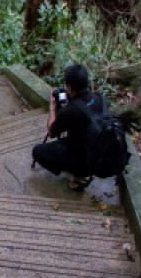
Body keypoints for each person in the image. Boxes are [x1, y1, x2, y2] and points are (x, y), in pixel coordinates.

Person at [31, 63, 103, 191]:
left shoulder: (70, 110)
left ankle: (78, 176)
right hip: (101, 155)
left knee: (37, 151)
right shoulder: (99, 98)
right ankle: (80, 169)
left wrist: (52, 108)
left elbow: (51, 132)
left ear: (69, 87)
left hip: (84, 160)